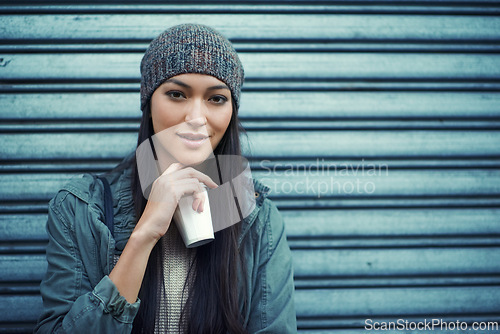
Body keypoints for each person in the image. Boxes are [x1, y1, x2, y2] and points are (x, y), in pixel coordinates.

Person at [34, 23, 297, 333]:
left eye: (216, 99)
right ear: (149, 103)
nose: (197, 118)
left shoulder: (260, 221)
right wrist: (144, 235)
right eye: (176, 94)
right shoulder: (81, 208)